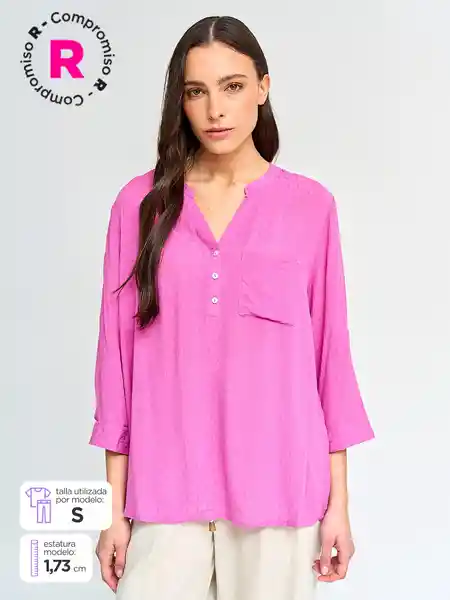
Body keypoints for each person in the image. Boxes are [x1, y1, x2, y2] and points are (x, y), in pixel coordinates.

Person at [89, 14, 375, 600]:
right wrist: (111, 510)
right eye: (197, 91)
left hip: (279, 494)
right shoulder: (139, 205)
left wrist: (338, 505)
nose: (215, 109)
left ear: (263, 88)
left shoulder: (310, 207)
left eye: (233, 86)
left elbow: (330, 363)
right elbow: (116, 366)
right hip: (165, 491)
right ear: (181, 101)